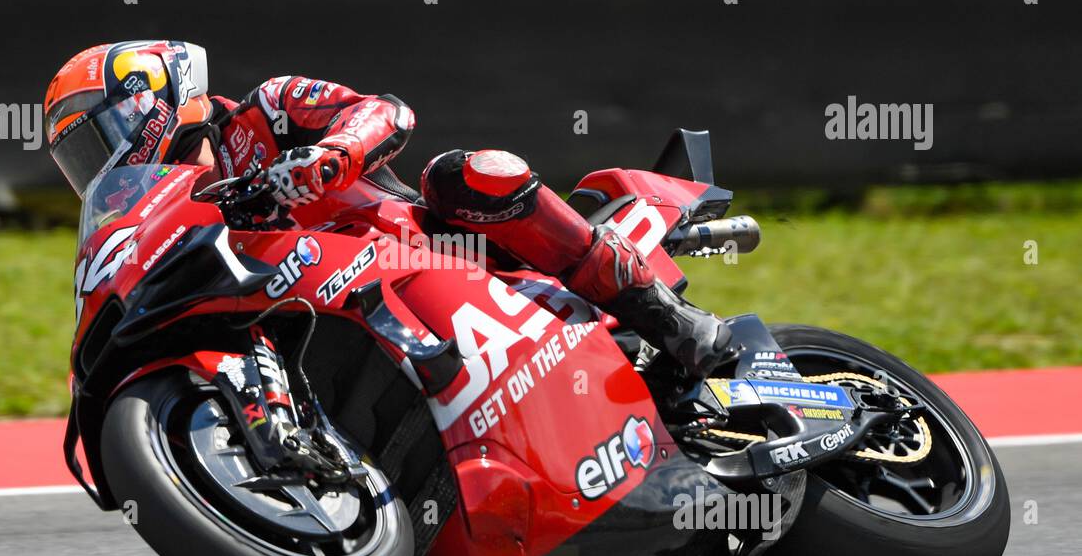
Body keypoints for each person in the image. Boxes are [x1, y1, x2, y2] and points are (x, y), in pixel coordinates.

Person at [43, 40, 733, 376]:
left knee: (466, 174)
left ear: (153, 100)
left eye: (98, 135)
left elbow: (385, 112)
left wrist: (334, 154)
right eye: (79, 158)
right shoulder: (178, 226)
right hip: (340, 323)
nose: (98, 163)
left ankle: (665, 316)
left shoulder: (268, 109)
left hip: (431, 251)